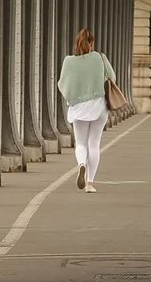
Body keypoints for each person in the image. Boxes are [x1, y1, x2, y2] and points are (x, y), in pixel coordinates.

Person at [57, 28, 115, 193]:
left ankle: (81, 164)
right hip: (98, 105)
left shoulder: (68, 61)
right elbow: (112, 77)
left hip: (78, 106)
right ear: (92, 44)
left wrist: (73, 96)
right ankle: (89, 183)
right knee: (94, 144)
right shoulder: (99, 57)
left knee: (81, 143)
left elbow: (62, 84)